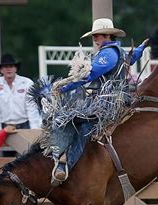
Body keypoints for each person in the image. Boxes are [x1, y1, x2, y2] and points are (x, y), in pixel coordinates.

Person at [51, 18, 149, 184]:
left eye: (97, 36)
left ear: (107, 36)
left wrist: (61, 88)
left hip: (108, 103)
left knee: (77, 123)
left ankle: (65, 165)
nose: (95, 39)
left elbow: (88, 75)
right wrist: (142, 47)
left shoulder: (108, 54)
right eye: (94, 36)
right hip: (113, 100)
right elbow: (131, 58)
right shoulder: (117, 52)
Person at [0, 54, 42, 131]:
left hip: (25, 125)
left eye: (11, 66)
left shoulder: (27, 83)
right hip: (4, 127)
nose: (8, 69)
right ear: (1, 70)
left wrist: (34, 128)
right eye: (5, 67)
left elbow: (31, 107)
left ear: (16, 69)